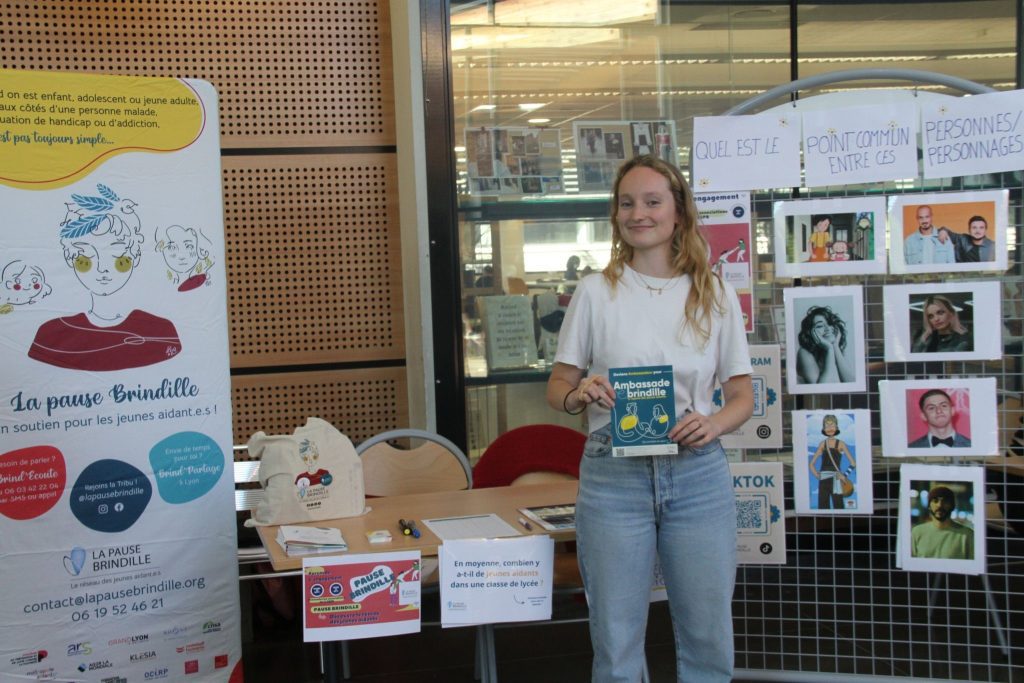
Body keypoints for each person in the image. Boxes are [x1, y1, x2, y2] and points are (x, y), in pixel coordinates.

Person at [545, 154, 753, 682]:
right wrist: (581, 395)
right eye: (627, 203)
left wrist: (715, 424)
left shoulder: (715, 293)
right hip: (614, 477)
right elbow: (558, 388)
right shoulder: (596, 291)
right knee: (615, 640)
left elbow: (742, 397)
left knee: (708, 634)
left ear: (678, 212)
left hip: (697, 474)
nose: (638, 213)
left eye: (652, 201)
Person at [28, 192, 182, 371]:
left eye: (117, 258)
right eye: (86, 259)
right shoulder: (51, 336)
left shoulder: (160, 331)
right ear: (70, 258)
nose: (102, 269)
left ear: (136, 256)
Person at [795, 305, 855, 385]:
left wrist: (835, 346)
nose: (828, 328)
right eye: (820, 326)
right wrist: (829, 349)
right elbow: (822, 389)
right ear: (810, 332)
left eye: (830, 324)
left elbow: (851, 383)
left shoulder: (838, 349)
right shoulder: (804, 352)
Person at [808, 414, 857, 510]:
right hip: (823, 480)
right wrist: (817, 475)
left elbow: (853, 463)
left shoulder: (841, 444)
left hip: (836, 480)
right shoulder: (823, 444)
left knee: (839, 507)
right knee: (822, 507)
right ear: (823, 428)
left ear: (837, 427)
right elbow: (811, 464)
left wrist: (844, 475)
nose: (830, 428)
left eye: (832, 425)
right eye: (827, 426)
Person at [911, 485, 974, 559]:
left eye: (945, 501)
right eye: (935, 501)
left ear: (952, 506)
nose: (940, 505)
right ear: (929, 506)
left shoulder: (967, 535)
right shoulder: (917, 532)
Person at [154, 224, 214, 291]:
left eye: (189, 246)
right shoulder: (161, 277)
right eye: (171, 248)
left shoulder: (204, 272)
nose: (181, 256)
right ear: (162, 249)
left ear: (198, 246)